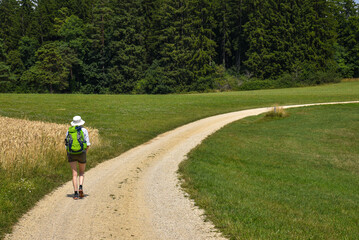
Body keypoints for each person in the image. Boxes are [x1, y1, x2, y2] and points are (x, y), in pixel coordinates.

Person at [65, 116, 91, 200]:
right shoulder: (84, 130)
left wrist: (68, 154)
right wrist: (84, 152)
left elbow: (66, 144)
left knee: (74, 174)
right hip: (82, 153)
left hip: (71, 153)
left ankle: (75, 193)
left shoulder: (69, 130)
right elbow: (87, 144)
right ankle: (80, 187)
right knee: (82, 172)